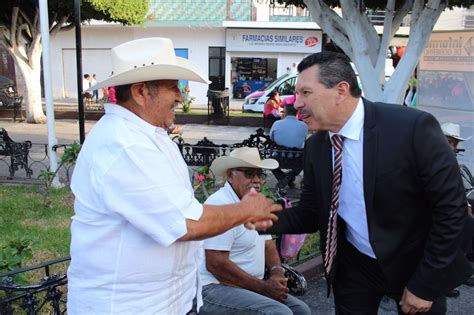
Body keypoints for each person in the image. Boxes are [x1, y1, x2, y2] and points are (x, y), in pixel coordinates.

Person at [67, 37, 282, 314]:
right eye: (173, 87)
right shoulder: (125, 145)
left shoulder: (147, 138)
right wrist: (246, 210)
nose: (181, 96)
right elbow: (185, 224)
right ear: (141, 91)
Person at [266, 51, 472, 314]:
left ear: (341, 90)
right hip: (355, 269)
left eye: (306, 93)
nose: (297, 103)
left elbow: (451, 210)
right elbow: (312, 213)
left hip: (415, 265)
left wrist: (425, 285)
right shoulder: (317, 146)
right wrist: (256, 218)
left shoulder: (411, 128)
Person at [199, 147, 311, 315]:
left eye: (260, 174)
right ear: (230, 175)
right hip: (214, 288)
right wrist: (264, 288)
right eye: (249, 174)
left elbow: (268, 245)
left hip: (248, 285)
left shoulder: (253, 203)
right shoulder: (220, 204)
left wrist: (276, 272)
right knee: (279, 313)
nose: (257, 180)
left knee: (301, 310)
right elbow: (216, 263)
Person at [441, 122, 474, 292]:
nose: (453, 146)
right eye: (449, 141)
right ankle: (453, 271)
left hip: (451, 203)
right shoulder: (435, 159)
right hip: (438, 209)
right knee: (467, 224)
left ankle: (464, 262)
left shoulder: (449, 159)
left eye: (455, 143)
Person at [270, 104, 308, 188]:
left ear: (285, 112)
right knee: (305, 160)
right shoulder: (303, 125)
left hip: (278, 157)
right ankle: (288, 177)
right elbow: (304, 139)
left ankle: (283, 178)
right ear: (297, 112)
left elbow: (271, 138)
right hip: (297, 158)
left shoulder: (277, 123)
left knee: (269, 161)